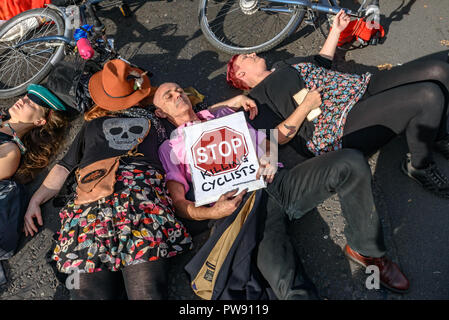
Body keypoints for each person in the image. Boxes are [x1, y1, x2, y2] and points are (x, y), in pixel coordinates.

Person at [154, 82, 410, 299]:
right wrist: (212, 214)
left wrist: (294, 120)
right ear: (160, 112)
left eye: (180, 91)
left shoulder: (223, 115)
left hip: (279, 183)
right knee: (290, 289)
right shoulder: (172, 147)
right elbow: (177, 202)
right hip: (246, 212)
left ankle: (367, 251)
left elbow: (270, 142)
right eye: (169, 96)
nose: (178, 95)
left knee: (350, 162)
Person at [226, 9, 449, 198]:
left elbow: (320, 62)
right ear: (241, 74)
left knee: (440, 71)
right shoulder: (256, 99)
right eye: (245, 57)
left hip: (359, 87)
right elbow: (272, 139)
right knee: (428, 95)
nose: (253, 53)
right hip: (340, 122)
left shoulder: (283, 65)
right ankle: (419, 165)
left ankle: (436, 134)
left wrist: (336, 29)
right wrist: (305, 107)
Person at [22, 59, 194, 300]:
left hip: (139, 197)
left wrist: (233, 103)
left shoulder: (157, 117)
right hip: (92, 201)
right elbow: (64, 167)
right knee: (88, 294)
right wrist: (35, 200)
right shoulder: (92, 124)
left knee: (146, 291)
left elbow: (192, 118)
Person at [0, 84, 68, 282]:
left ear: (40, 121)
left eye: (32, 103)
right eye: (26, 97)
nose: (21, 100)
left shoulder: (10, 151)